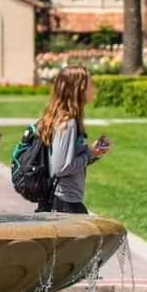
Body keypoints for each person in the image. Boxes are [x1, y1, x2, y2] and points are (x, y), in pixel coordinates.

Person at [33, 65, 109, 214]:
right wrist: (90, 155)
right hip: (65, 203)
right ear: (78, 89)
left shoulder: (67, 119)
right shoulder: (67, 122)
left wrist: (92, 153)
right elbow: (61, 167)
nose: (93, 88)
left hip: (64, 200)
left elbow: (66, 159)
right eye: (89, 84)